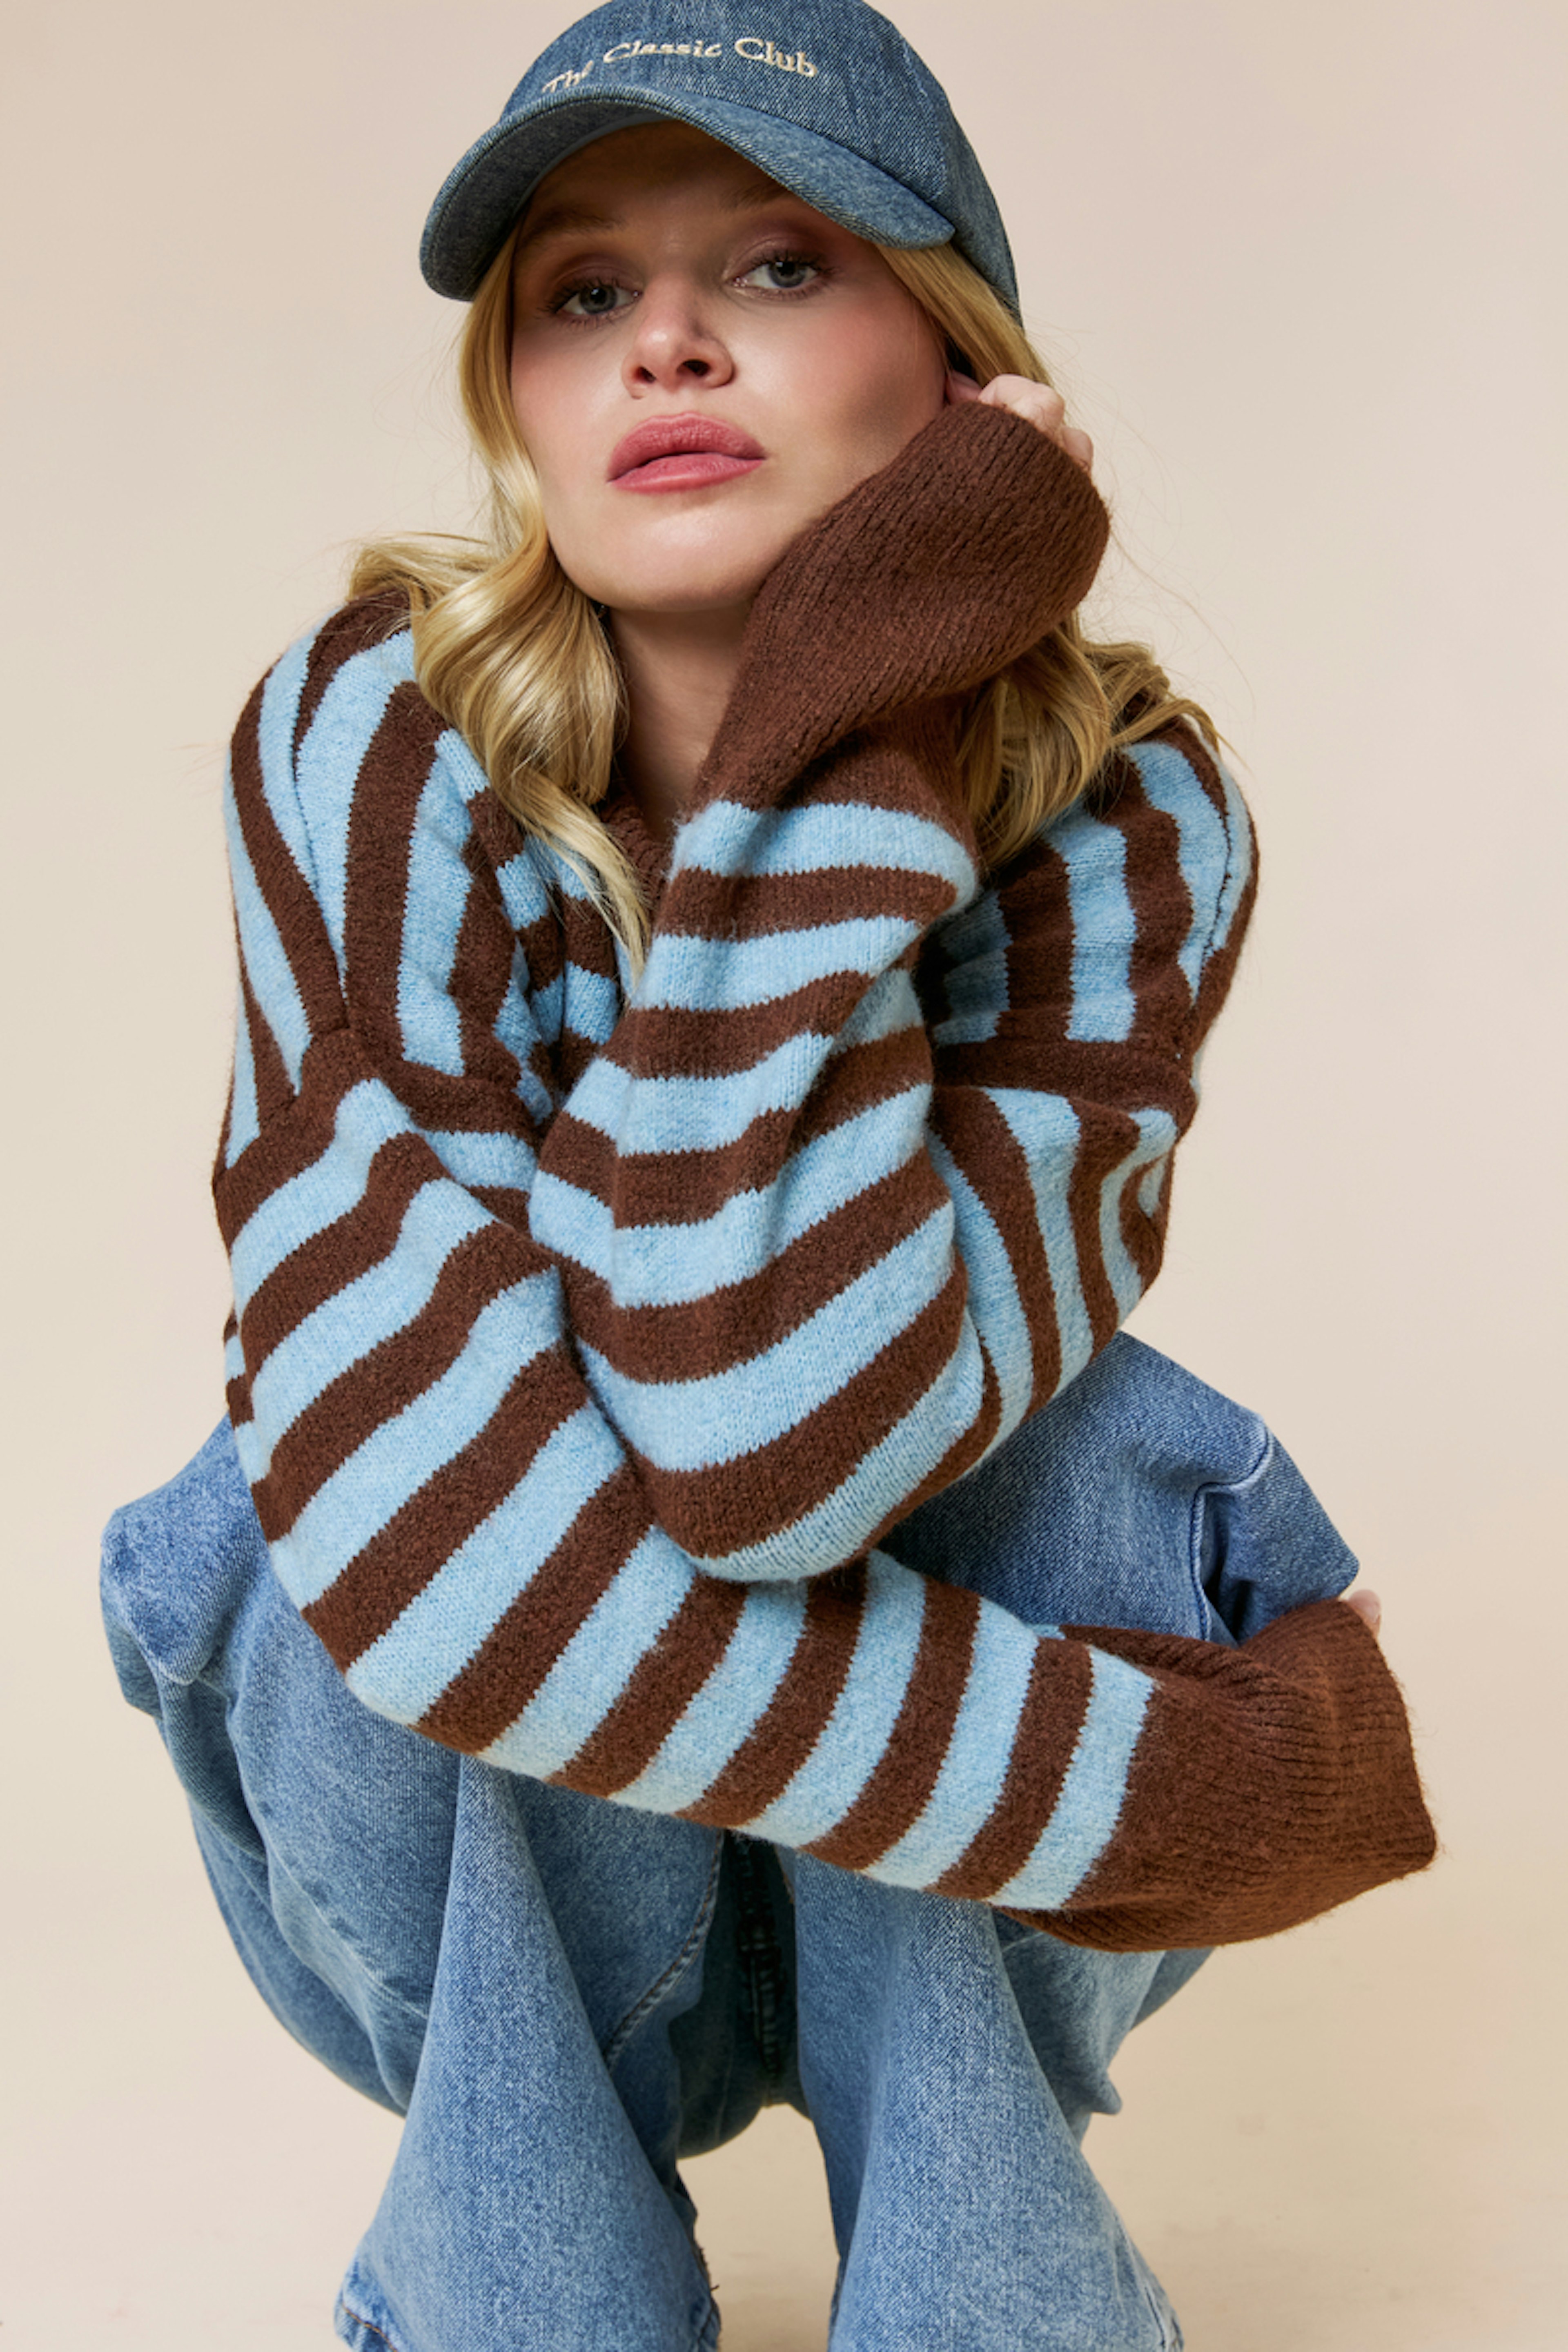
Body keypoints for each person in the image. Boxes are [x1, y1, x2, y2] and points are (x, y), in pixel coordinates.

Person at [100, 4, 1434, 2346]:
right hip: (481, 1840)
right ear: (518, 399)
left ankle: (983, 2299)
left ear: (960, 364)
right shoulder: (376, 732)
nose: (670, 345)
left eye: (785, 265)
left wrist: (856, 710)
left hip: (878, 1829)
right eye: (584, 291)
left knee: (1077, 1460)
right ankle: (530, 2299)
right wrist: (1151, 1792)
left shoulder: (1130, 821)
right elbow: (459, 1571)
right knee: (362, 1505)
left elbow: (770, 1440)